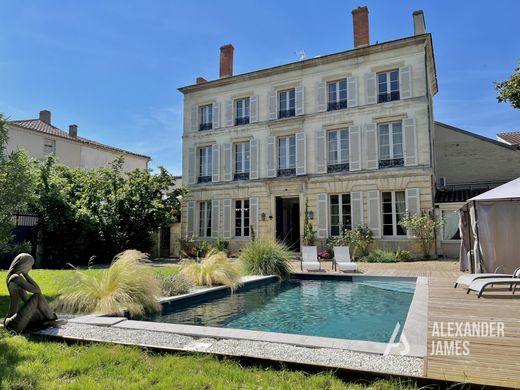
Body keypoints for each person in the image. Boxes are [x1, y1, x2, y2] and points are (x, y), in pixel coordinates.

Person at [3, 253, 58, 334]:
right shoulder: (15, 278)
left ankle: (48, 319)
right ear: (24, 265)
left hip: (13, 320)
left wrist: (41, 312)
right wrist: (26, 274)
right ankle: (51, 319)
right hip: (13, 323)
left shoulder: (15, 277)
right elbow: (37, 291)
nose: (31, 268)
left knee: (40, 313)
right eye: (30, 265)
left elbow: (27, 300)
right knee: (38, 296)